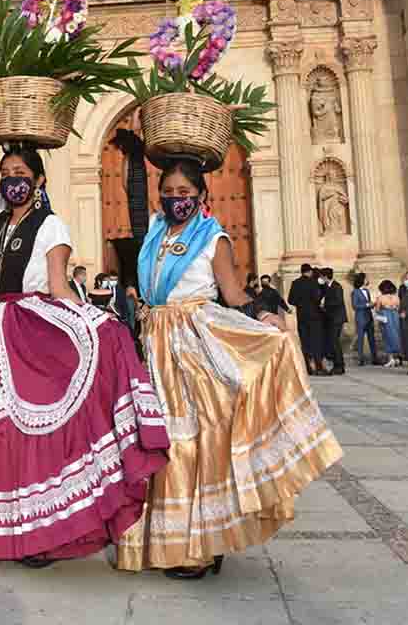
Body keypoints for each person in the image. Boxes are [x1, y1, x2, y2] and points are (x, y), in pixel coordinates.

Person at [117, 158, 341, 577]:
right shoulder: (153, 234)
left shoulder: (212, 238)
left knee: (193, 443)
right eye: (169, 192)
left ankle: (204, 545)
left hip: (194, 346)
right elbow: (133, 203)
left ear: (201, 195)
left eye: (185, 193)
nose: (176, 199)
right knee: (156, 441)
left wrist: (263, 319)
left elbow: (234, 294)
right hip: (154, 345)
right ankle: (170, 540)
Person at [0, 134, 169, 565]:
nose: (11, 182)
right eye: (6, 175)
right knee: (6, 433)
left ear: (39, 180)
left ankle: (48, 531)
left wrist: (97, 322)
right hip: (1, 330)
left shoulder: (51, 225)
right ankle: (12, 527)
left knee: (43, 431)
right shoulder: (0, 223)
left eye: (21, 175)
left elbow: (57, 285)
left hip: (36, 327)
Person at [288, 263, 328, 376]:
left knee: (305, 342)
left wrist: (300, 304)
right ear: (310, 271)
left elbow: (291, 300)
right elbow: (318, 297)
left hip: (302, 316)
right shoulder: (314, 282)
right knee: (316, 341)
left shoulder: (295, 283)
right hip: (315, 316)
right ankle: (319, 367)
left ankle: (308, 367)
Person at [321, 268, 347, 374]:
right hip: (331, 318)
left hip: (337, 318)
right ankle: (337, 363)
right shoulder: (327, 286)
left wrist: (324, 305)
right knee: (332, 341)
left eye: (322, 276)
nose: (320, 279)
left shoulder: (336, 286)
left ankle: (339, 365)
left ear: (326, 277)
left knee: (334, 341)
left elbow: (338, 301)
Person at [351, 272, 378, 366]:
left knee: (372, 338)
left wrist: (372, 305)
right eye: (366, 278)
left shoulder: (367, 291)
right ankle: (360, 358)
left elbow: (368, 303)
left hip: (368, 316)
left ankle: (375, 358)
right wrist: (367, 305)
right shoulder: (355, 292)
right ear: (362, 280)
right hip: (360, 317)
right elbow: (354, 305)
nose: (368, 280)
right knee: (361, 339)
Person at [375, 280, 403, 367]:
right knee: (396, 336)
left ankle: (391, 359)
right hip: (395, 317)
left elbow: (377, 309)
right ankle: (397, 358)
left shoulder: (380, 298)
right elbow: (399, 308)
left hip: (385, 317)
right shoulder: (396, 297)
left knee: (387, 337)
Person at [399, 271, 408, 362]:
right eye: (405, 278)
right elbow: (401, 301)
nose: (406, 280)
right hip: (404, 319)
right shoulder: (402, 288)